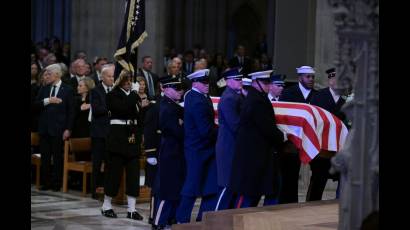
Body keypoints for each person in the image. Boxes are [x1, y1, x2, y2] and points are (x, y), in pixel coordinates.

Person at [229, 70, 284, 208]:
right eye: (265, 83)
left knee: (261, 192)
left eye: (268, 82)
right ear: (255, 83)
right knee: (249, 195)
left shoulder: (257, 98)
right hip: (254, 157)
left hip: (260, 155)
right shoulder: (256, 101)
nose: (267, 86)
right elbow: (267, 128)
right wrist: (281, 136)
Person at [176, 69, 218, 223]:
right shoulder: (195, 99)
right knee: (192, 186)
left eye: (208, 82)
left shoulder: (200, 96)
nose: (207, 85)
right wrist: (222, 132)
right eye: (203, 82)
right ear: (195, 83)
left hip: (205, 147)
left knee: (210, 185)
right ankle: (182, 218)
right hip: (197, 149)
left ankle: (204, 218)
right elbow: (204, 129)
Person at [101, 70, 144, 221]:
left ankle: (132, 209)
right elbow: (124, 108)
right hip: (118, 137)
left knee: (133, 174)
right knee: (114, 173)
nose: (128, 82)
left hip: (132, 136)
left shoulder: (134, 95)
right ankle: (106, 205)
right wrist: (134, 93)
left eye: (130, 80)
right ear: (120, 81)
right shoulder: (112, 95)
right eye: (126, 80)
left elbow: (139, 116)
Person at [278, 65, 318, 204]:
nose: (311, 79)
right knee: (289, 174)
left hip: (311, 140)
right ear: (300, 78)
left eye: (313, 77)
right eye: (308, 77)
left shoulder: (317, 95)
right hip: (292, 141)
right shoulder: (288, 93)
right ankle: (287, 204)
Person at [307, 67, 346, 201]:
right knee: (318, 180)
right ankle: (310, 208)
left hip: (341, 147)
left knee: (343, 181)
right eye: (333, 78)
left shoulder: (348, 97)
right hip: (322, 147)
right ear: (329, 80)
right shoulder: (318, 96)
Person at [152, 76, 186, 230]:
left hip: (176, 153)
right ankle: (159, 222)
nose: (179, 91)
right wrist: (182, 126)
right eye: (175, 88)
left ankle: (167, 220)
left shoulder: (174, 106)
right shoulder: (167, 107)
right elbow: (177, 131)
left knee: (174, 189)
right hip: (170, 153)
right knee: (166, 190)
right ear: (165, 89)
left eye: (179, 88)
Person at [35, 64, 74, 191]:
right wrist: (48, 100)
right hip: (44, 129)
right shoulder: (44, 89)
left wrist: (68, 129)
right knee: (45, 157)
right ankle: (46, 183)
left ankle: (57, 183)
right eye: (45, 74)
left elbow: (71, 111)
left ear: (57, 74)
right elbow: (35, 106)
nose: (46, 76)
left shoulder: (67, 89)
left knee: (57, 157)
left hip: (59, 130)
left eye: (48, 74)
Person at [214, 68, 244, 211]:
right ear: (228, 81)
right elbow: (235, 124)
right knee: (226, 186)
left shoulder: (235, 96)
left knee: (231, 186)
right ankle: (216, 219)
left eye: (241, 79)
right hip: (228, 146)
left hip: (232, 146)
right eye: (237, 79)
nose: (241, 82)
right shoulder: (229, 98)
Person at [90, 64, 115, 199]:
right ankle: (95, 190)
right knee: (97, 163)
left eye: (113, 76)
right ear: (102, 77)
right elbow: (97, 110)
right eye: (110, 76)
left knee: (110, 163)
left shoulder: (116, 89)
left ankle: (107, 189)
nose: (112, 79)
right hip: (99, 133)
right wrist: (112, 108)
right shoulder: (96, 91)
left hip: (112, 133)